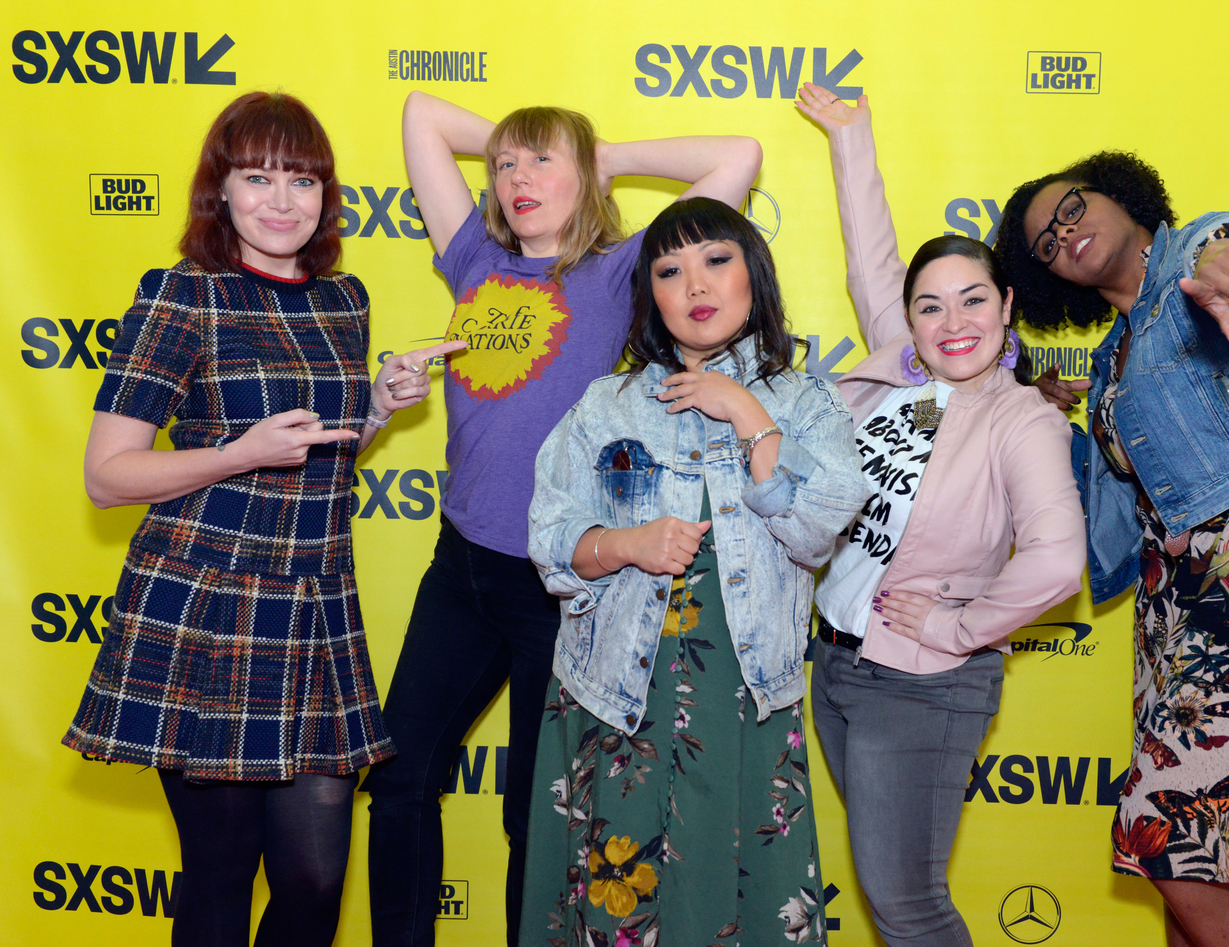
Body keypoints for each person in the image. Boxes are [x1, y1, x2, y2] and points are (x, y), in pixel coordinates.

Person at [63, 91, 463, 947]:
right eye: (258, 178)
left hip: (315, 609)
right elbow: (107, 474)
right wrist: (236, 452)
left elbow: (315, 446)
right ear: (221, 190)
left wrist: (380, 408)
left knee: (318, 883)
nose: (282, 201)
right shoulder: (182, 296)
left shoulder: (341, 301)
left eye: (303, 180)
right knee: (219, 878)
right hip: (207, 607)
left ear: (326, 195)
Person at [365, 91, 763, 947]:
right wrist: (533, 142)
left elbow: (737, 155)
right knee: (399, 780)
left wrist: (600, 150)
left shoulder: (620, 271)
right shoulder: (471, 253)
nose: (515, 177)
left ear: (586, 178)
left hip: (558, 579)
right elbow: (421, 113)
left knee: (531, 810)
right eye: (504, 163)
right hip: (462, 565)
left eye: (540, 161)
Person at [994, 150, 1229, 947]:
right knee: (1205, 845)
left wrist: (1219, 260)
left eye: (1071, 207)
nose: (1063, 234)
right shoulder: (1109, 365)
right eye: (1042, 244)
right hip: (1178, 597)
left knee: (1168, 831)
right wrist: (1027, 411)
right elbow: (1105, 507)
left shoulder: (1197, 255)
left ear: (1119, 193)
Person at [521, 195, 867, 945]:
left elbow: (815, 529)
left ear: (754, 276)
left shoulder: (807, 401)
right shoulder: (606, 404)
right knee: (620, 906)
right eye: (671, 271)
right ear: (652, 295)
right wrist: (626, 544)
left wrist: (746, 411)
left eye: (717, 260)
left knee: (740, 905)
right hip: (618, 696)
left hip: (745, 699)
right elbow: (551, 541)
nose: (696, 286)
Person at [794, 85, 1087, 946]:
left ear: (1006, 308)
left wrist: (961, 624)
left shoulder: (1020, 418)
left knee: (908, 902)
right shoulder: (904, 370)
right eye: (931, 305)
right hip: (841, 666)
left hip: (923, 681)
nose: (950, 321)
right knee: (895, 895)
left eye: (972, 300)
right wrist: (852, 139)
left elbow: (1057, 560)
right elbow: (869, 258)